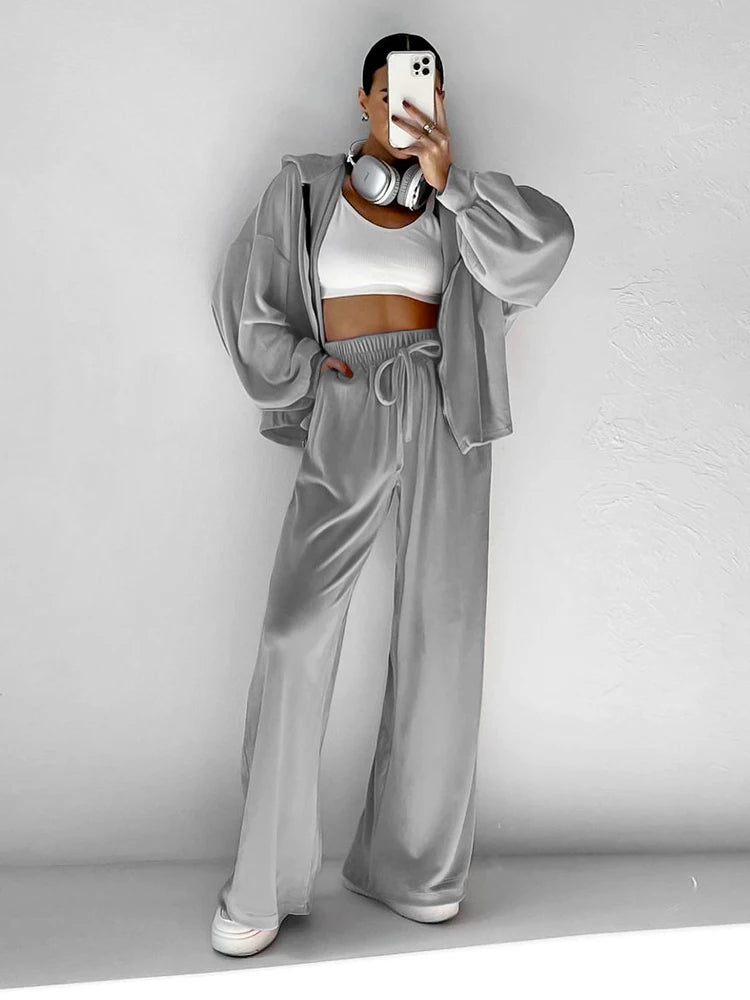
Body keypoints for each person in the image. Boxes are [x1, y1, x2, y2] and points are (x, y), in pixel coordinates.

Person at [209, 32, 575, 956]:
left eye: (430, 91)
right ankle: (263, 883)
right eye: (398, 89)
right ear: (365, 100)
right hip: (346, 402)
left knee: (441, 634)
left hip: (444, 407)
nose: (414, 104)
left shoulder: (461, 202)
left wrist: (453, 185)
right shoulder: (302, 189)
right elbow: (245, 304)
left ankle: (413, 868)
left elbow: (547, 248)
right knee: (294, 633)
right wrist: (307, 372)